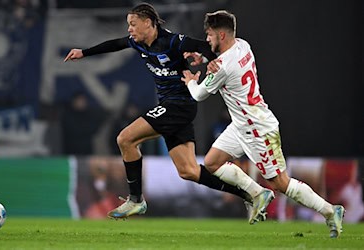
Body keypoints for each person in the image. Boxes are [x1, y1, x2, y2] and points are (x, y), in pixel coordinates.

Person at [64, 3, 271, 221]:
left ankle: (135, 200)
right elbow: (115, 44)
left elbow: (205, 46)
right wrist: (84, 52)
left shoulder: (172, 42)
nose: (129, 29)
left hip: (178, 105)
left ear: (148, 23)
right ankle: (252, 193)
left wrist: (211, 60)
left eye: (133, 24)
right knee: (189, 171)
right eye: (128, 25)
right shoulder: (138, 43)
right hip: (175, 109)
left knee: (125, 139)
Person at [181, 10, 345, 237]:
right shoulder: (243, 45)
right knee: (211, 163)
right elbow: (225, 59)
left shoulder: (223, 66)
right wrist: (208, 58)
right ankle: (258, 193)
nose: (206, 39)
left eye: (209, 35)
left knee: (281, 183)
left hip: (258, 130)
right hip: (241, 125)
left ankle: (330, 211)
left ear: (221, 35)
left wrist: (191, 80)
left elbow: (199, 95)